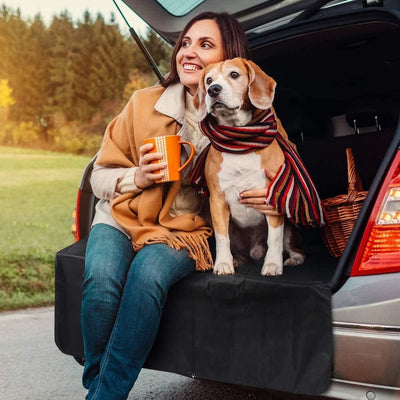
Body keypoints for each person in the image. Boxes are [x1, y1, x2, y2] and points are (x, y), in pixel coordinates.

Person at [81, 11, 277, 400]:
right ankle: (100, 387)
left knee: (147, 278)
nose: (188, 52)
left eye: (205, 45)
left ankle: (103, 396)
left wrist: (273, 192)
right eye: (185, 42)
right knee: (101, 284)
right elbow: (98, 175)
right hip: (122, 216)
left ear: (227, 60)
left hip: (186, 229)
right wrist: (137, 177)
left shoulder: (248, 119)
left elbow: (281, 169)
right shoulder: (142, 104)